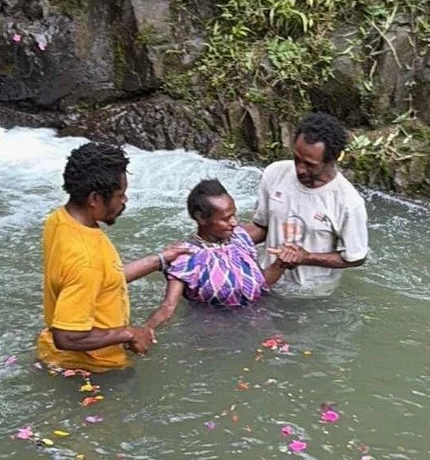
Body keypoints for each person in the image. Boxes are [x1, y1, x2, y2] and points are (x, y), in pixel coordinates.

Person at [37, 142, 186, 373]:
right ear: (95, 198)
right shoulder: (86, 259)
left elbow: (105, 279)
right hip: (93, 370)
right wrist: (129, 333)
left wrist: (161, 259)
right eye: (120, 195)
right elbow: (66, 337)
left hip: (57, 358)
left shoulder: (59, 220)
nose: (124, 201)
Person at [244, 112, 369, 295]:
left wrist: (306, 257)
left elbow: (355, 257)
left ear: (331, 159)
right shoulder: (274, 173)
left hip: (311, 294)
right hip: (266, 280)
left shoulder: (348, 202)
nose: (299, 169)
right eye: (296, 158)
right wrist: (219, 239)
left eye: (310, 164)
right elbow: (261, 227)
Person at [144, 179, 286, 329]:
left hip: (261, 324)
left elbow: (260, 284)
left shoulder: (241, 238)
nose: (234, 222)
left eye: (234, 215)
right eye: (226, 219)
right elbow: (168, 307)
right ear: (201, 218)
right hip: (216, 333)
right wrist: (146, 330)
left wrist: (281, 263)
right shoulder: (185, 258)